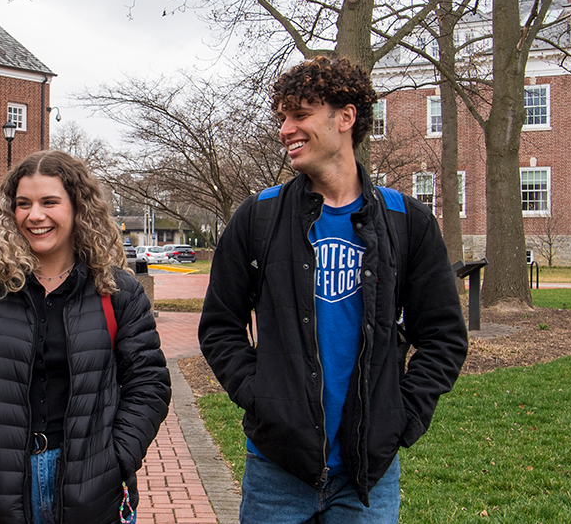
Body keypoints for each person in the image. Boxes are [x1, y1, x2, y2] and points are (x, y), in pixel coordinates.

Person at [198, 56, 468, 522]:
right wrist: (262, 399)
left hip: (368, 475)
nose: (286, 128)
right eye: (282, 117)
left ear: (346, 117)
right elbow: (220, 327)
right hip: (276, 470)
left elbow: (444, 336)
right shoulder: (258, 217)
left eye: (300, 115)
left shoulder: (408, 223)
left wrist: (402, 416)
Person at [0, 150, 171, 524]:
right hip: (1, 486)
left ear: (78, 208)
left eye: (49, 202)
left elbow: (148, 384)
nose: (35, 215)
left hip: (91, 488)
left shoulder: (117, 291)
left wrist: (118, 458)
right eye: (23, 204)